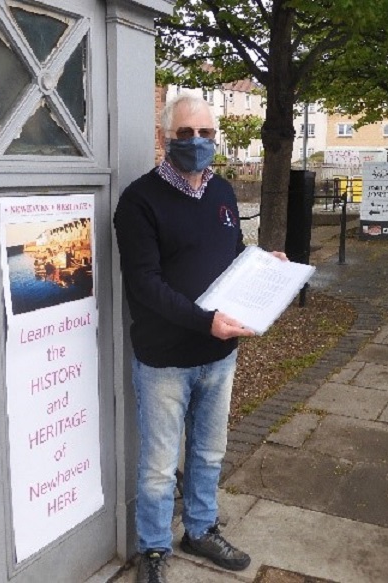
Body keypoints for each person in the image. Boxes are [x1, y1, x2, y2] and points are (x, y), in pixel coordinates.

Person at [114, 93, 276, 583]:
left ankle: (201, 530)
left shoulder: (223, 192)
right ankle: (155, 548)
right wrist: (206, 321)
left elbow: (235, 254)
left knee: (209, 453)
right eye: (186, 133)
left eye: (206, 133)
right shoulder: (139, 201)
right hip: (165, 359)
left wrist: (265, 268)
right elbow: (144, 284)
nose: (198, 142)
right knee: (161, 466)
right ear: (166, 137)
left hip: (219, 356)